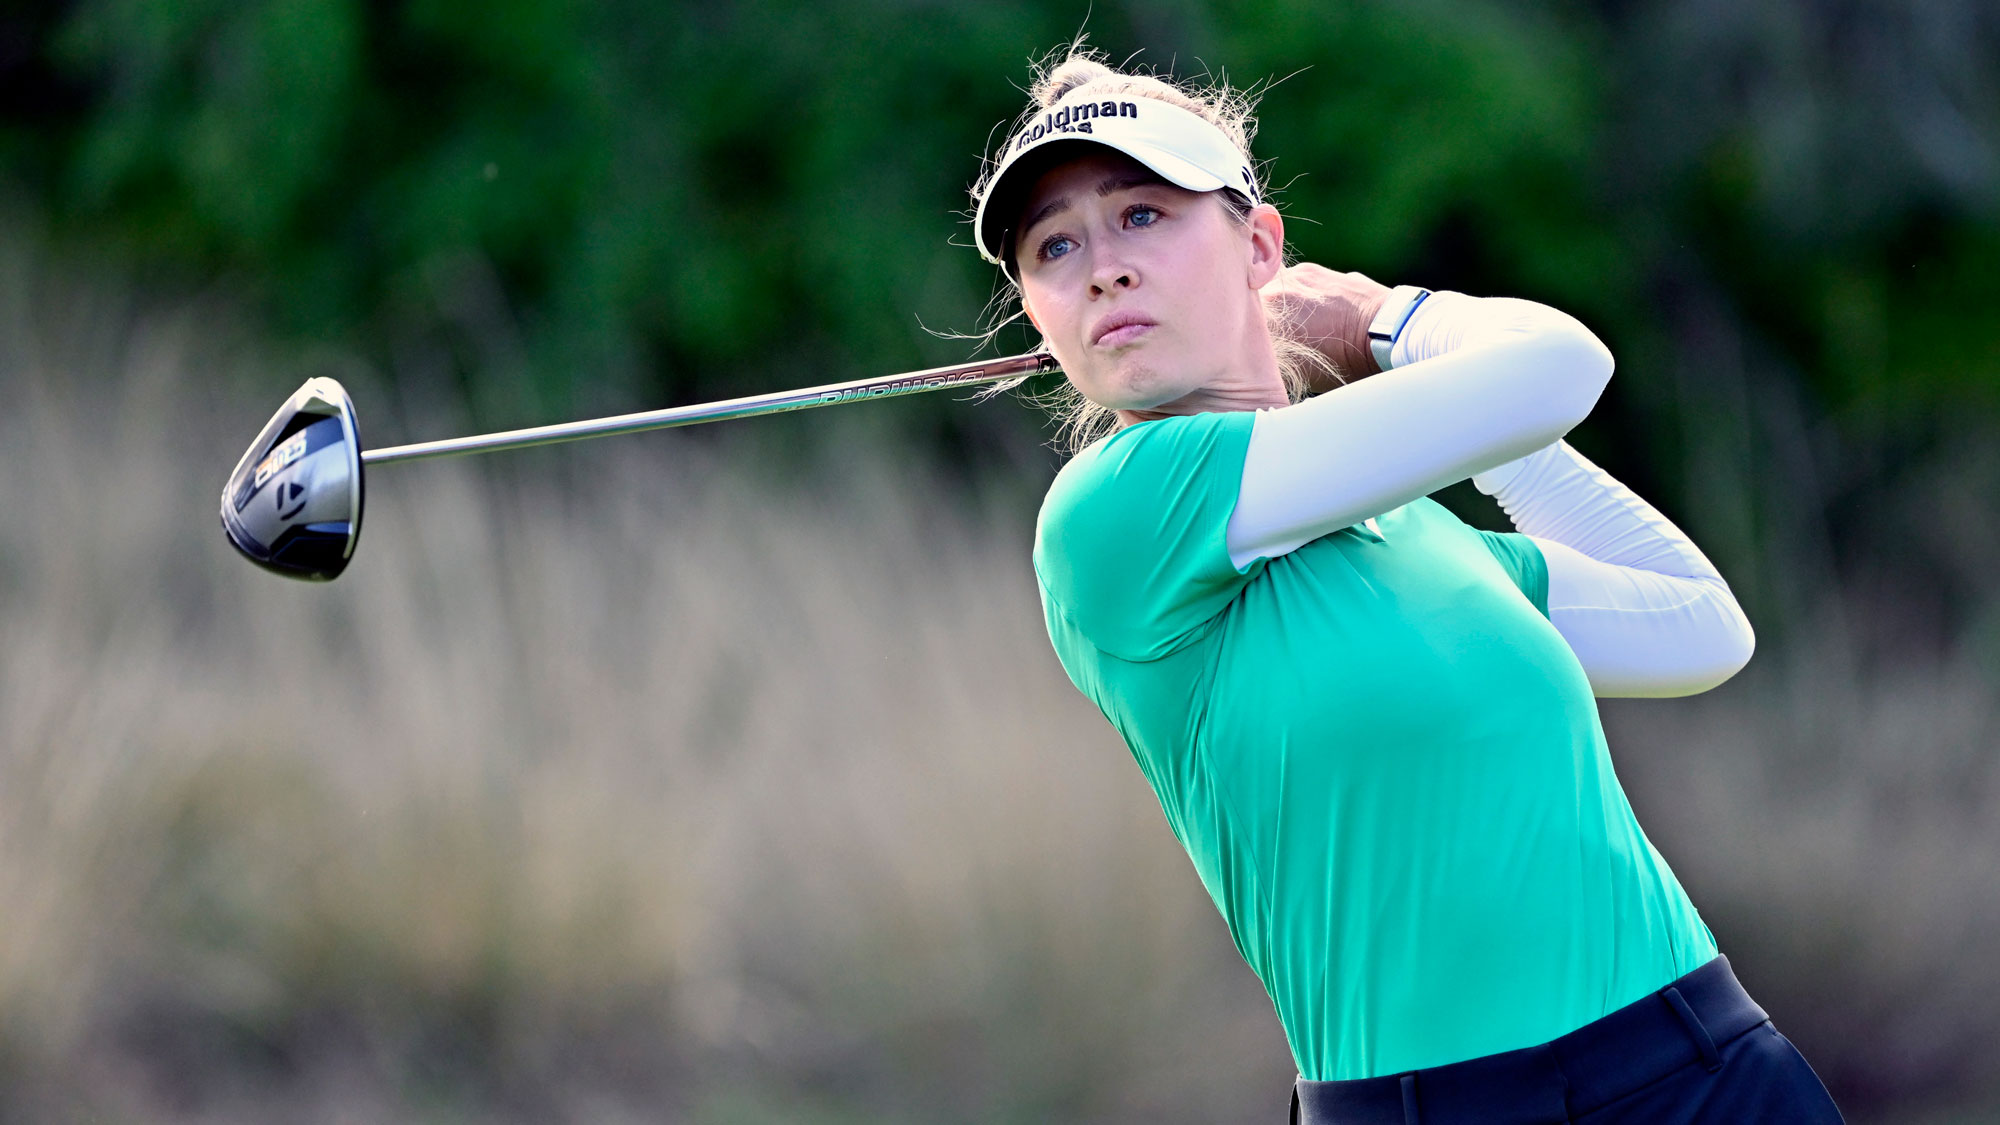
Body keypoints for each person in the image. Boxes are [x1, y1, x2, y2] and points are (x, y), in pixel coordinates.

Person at [967, 47, 1845, 1124]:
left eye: (1141, 214)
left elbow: (1700, 627)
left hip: (1705, 1068)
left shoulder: (1414, 531)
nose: (1101, 266)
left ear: (1258, 246)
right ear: (1039, 317)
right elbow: (1558, 366)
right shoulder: (1114, 512)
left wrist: (1413, 374)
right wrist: (1392, 322)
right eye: (1054, 247)